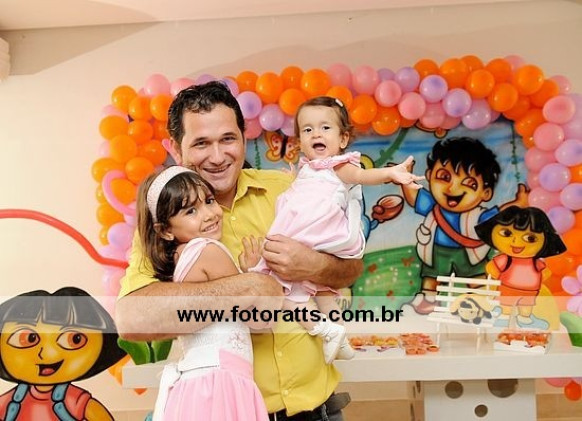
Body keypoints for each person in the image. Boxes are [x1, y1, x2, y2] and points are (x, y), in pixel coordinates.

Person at [115, 81, 363, 420]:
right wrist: (248, 287)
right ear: (176, 149)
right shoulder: (166, 224)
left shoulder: (288, 190)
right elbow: (132, 318)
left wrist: (314, 265)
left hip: (319, 410)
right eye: (201, 143)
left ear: (244, 139)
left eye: (228, 139)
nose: (218, 157)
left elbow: (351, 267)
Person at [251, 96, 424, 363]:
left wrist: (391, 174)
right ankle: (339, 336)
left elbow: (362, 176)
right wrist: (293, 180)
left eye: (325, 128)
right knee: (322, 292)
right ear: (300, 141)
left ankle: (323, 330)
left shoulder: (339, 165)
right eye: (307, 129)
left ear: (342, 139)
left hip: (312, 234)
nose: (316, 134)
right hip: (308, 236)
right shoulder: (307, 169)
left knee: (282, 290)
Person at [136, 166, 268, 420]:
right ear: (165, 230)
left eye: (208, 201)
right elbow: (260, 319)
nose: (209, 214)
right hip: (220, 383)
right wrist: (254, 275)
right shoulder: (208, 251)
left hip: (198, 385)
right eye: (191, 211)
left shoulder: (181, 256)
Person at [400, 137, 529, 314]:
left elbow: (500, 215)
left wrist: (519, 203)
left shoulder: (478, 215)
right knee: (432, 277)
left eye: (469, 184)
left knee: (476, 277)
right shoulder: (432, 206)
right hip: (437, 250)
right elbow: (413, 197)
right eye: (444, 177)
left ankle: (481, 302)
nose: (452, 188)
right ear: (429, 176)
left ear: (486, 193)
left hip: (469, 253)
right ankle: (428, 300)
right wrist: (405, 178)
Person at [0, 287, 126, 421]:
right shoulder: (9, 402)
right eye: (29, 338)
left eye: (74, 339)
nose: (49, 354)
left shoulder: (75, 401)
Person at [475, 206, 566, 326]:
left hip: (529, 291)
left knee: (526, 306)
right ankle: (504, 315)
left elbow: (545, 272)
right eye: (507, 233)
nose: (516, 242)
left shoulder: (535, 263)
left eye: (530, 238)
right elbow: (492, 268)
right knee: (506, 304)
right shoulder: (505, 260)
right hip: (508, 289)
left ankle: (525, 318)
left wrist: (539, 278)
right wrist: (497, 275)